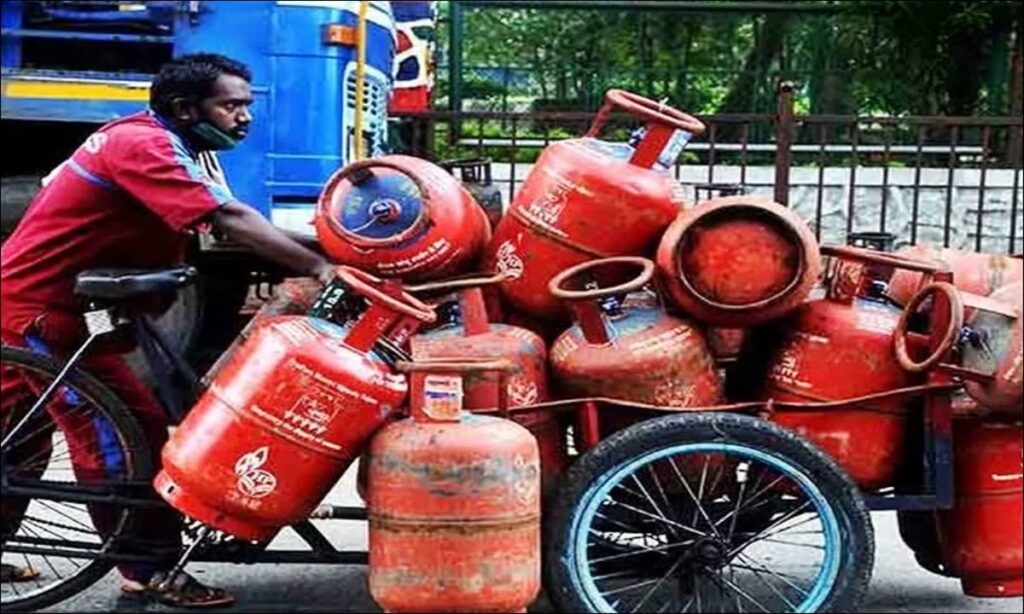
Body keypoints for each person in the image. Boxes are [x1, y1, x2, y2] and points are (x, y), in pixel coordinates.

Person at [0, 53, 335, 608]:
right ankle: (147, 568)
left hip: (47, 304)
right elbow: (229, 221)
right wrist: (320, 268)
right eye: (231, 106)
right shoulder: (143, 146)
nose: (245, 117)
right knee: (124, 434)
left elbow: (227, 224)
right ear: (184, 108)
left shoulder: (175, 145)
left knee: (17, 438)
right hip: (43, 313)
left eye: (246, 105)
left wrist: (330, 250)